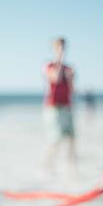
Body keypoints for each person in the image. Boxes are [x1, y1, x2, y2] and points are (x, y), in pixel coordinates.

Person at [43, 37, 76, 173]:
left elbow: (72, 90)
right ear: (55, 49)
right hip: (53, 108)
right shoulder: (49, 66)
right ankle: (48, 167)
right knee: (55, 139)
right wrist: (59, 62)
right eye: (59, 48)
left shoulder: (69, 68)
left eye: (63, 47)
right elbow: (55, 78)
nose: (62, 50)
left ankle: (70, 169)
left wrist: (70, 78)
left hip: (67, 106)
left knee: (71, 139)